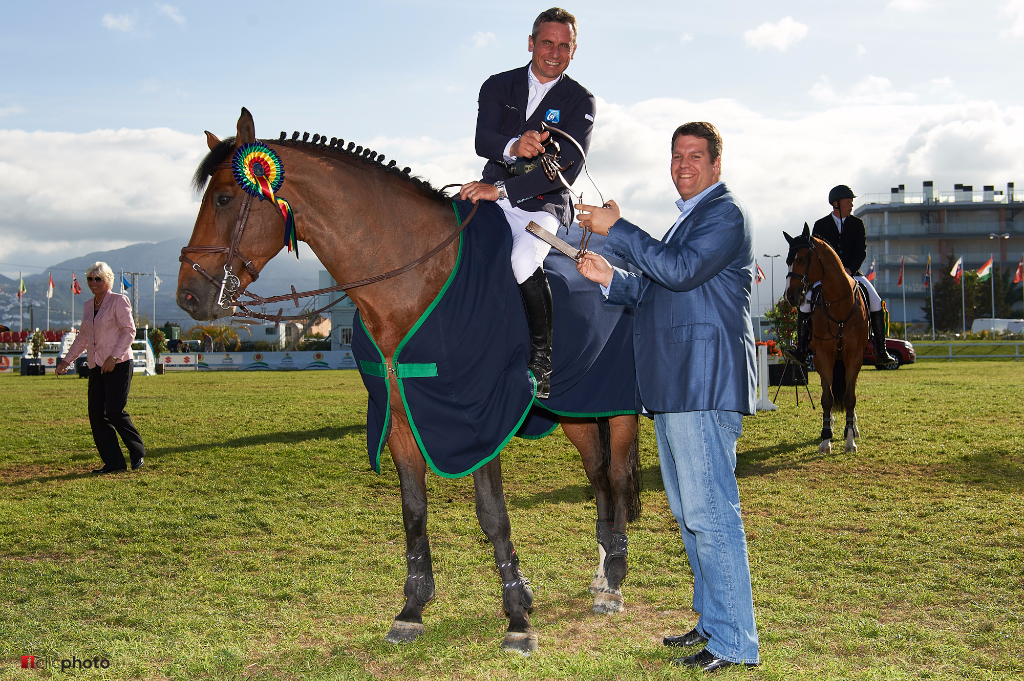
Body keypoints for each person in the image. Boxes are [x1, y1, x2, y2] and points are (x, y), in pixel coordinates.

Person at [574, 122, 759, 672]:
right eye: (677, 155)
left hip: (701, 384)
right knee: (691, 514)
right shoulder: (690, 221)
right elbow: (657, 284)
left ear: (716, 164)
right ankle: (712, 622)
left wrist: (619, 228)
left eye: (695, 156)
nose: (683, 165)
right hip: (676, 384)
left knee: (711, 515)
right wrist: (611, 275)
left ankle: (734, 643)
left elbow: (678, 272)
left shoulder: (725, 213)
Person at [459, 7, 595, 399]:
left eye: (564, 46)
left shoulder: (579, 99)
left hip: (542, 205)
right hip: (492, 189)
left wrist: (501, 191)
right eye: (547, 43)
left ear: (574, 50)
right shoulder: (498, 85)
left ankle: (541, 361)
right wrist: (513, 146)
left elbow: (569, 164)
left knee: (522, 261)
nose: (554, 52)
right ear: (531, 43)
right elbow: (483, 139)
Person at [788, 184, 896, 368]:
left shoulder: (857, 223)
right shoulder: (820, 225)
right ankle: (801, 349)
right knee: (806, 301)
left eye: (851, 201)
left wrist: (849, 270)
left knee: (876, 301)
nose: (851, 205)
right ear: (836, 204)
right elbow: (815, 256)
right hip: (824, 278)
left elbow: (861, 251)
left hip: (853, 274)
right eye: (848, 202)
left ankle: (881, 350)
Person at [56, 262, 146, 474]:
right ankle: (114, 463)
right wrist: (66, 361)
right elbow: (84, 337)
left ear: (108, 281)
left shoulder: (119, 300)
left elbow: (129, 331)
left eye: (98, 279)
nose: (93, 282)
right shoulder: (88, 305)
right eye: (90, 279)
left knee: (114, 411)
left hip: (119, 363)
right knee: (96, 414)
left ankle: (137, 451)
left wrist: (113, 357)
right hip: (96, 365)